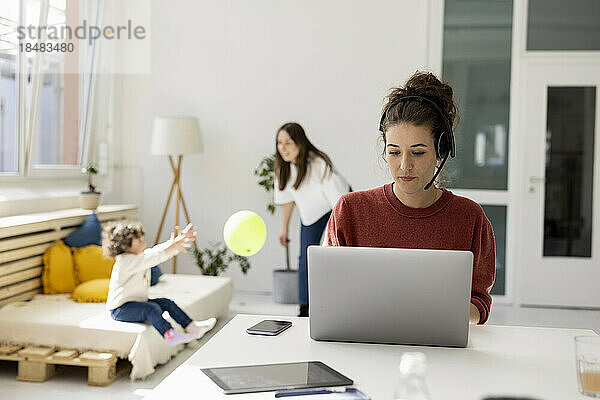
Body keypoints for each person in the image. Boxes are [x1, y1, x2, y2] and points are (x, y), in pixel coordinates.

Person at [325, 71, 495, 324]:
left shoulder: (469, 217)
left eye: (417, 152)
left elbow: (478, 302)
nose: (404, 166)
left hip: (439, 350)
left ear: (441, 151)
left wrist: (434, 319)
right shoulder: (350, 210)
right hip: (364, 345)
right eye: (394, 152)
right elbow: (330, 293)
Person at [274, 122, 351, 317]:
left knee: (335, 254)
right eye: (279, 143)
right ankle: (305, 308)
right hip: (312, 214)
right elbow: (288, 200)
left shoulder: (317, 163)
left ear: (299, 143)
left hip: (338, 205)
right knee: (305, 259)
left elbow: (339, 200)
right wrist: (284, 229)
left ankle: (342, 302)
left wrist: (338, 231)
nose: (283, 148)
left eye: (288, 142)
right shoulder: (283, 169)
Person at [104, 222, 217, 345]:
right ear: (125, 246)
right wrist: (173, 245)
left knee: (166, 303)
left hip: (137, 302)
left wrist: (174, 244)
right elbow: (153, 256)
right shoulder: (126, 261)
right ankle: (170, 335)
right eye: (139, 241)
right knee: (151, 309)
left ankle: (193, 327)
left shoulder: (138, 258)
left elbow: (154, 252)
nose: (144, 243)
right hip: (120, 309)